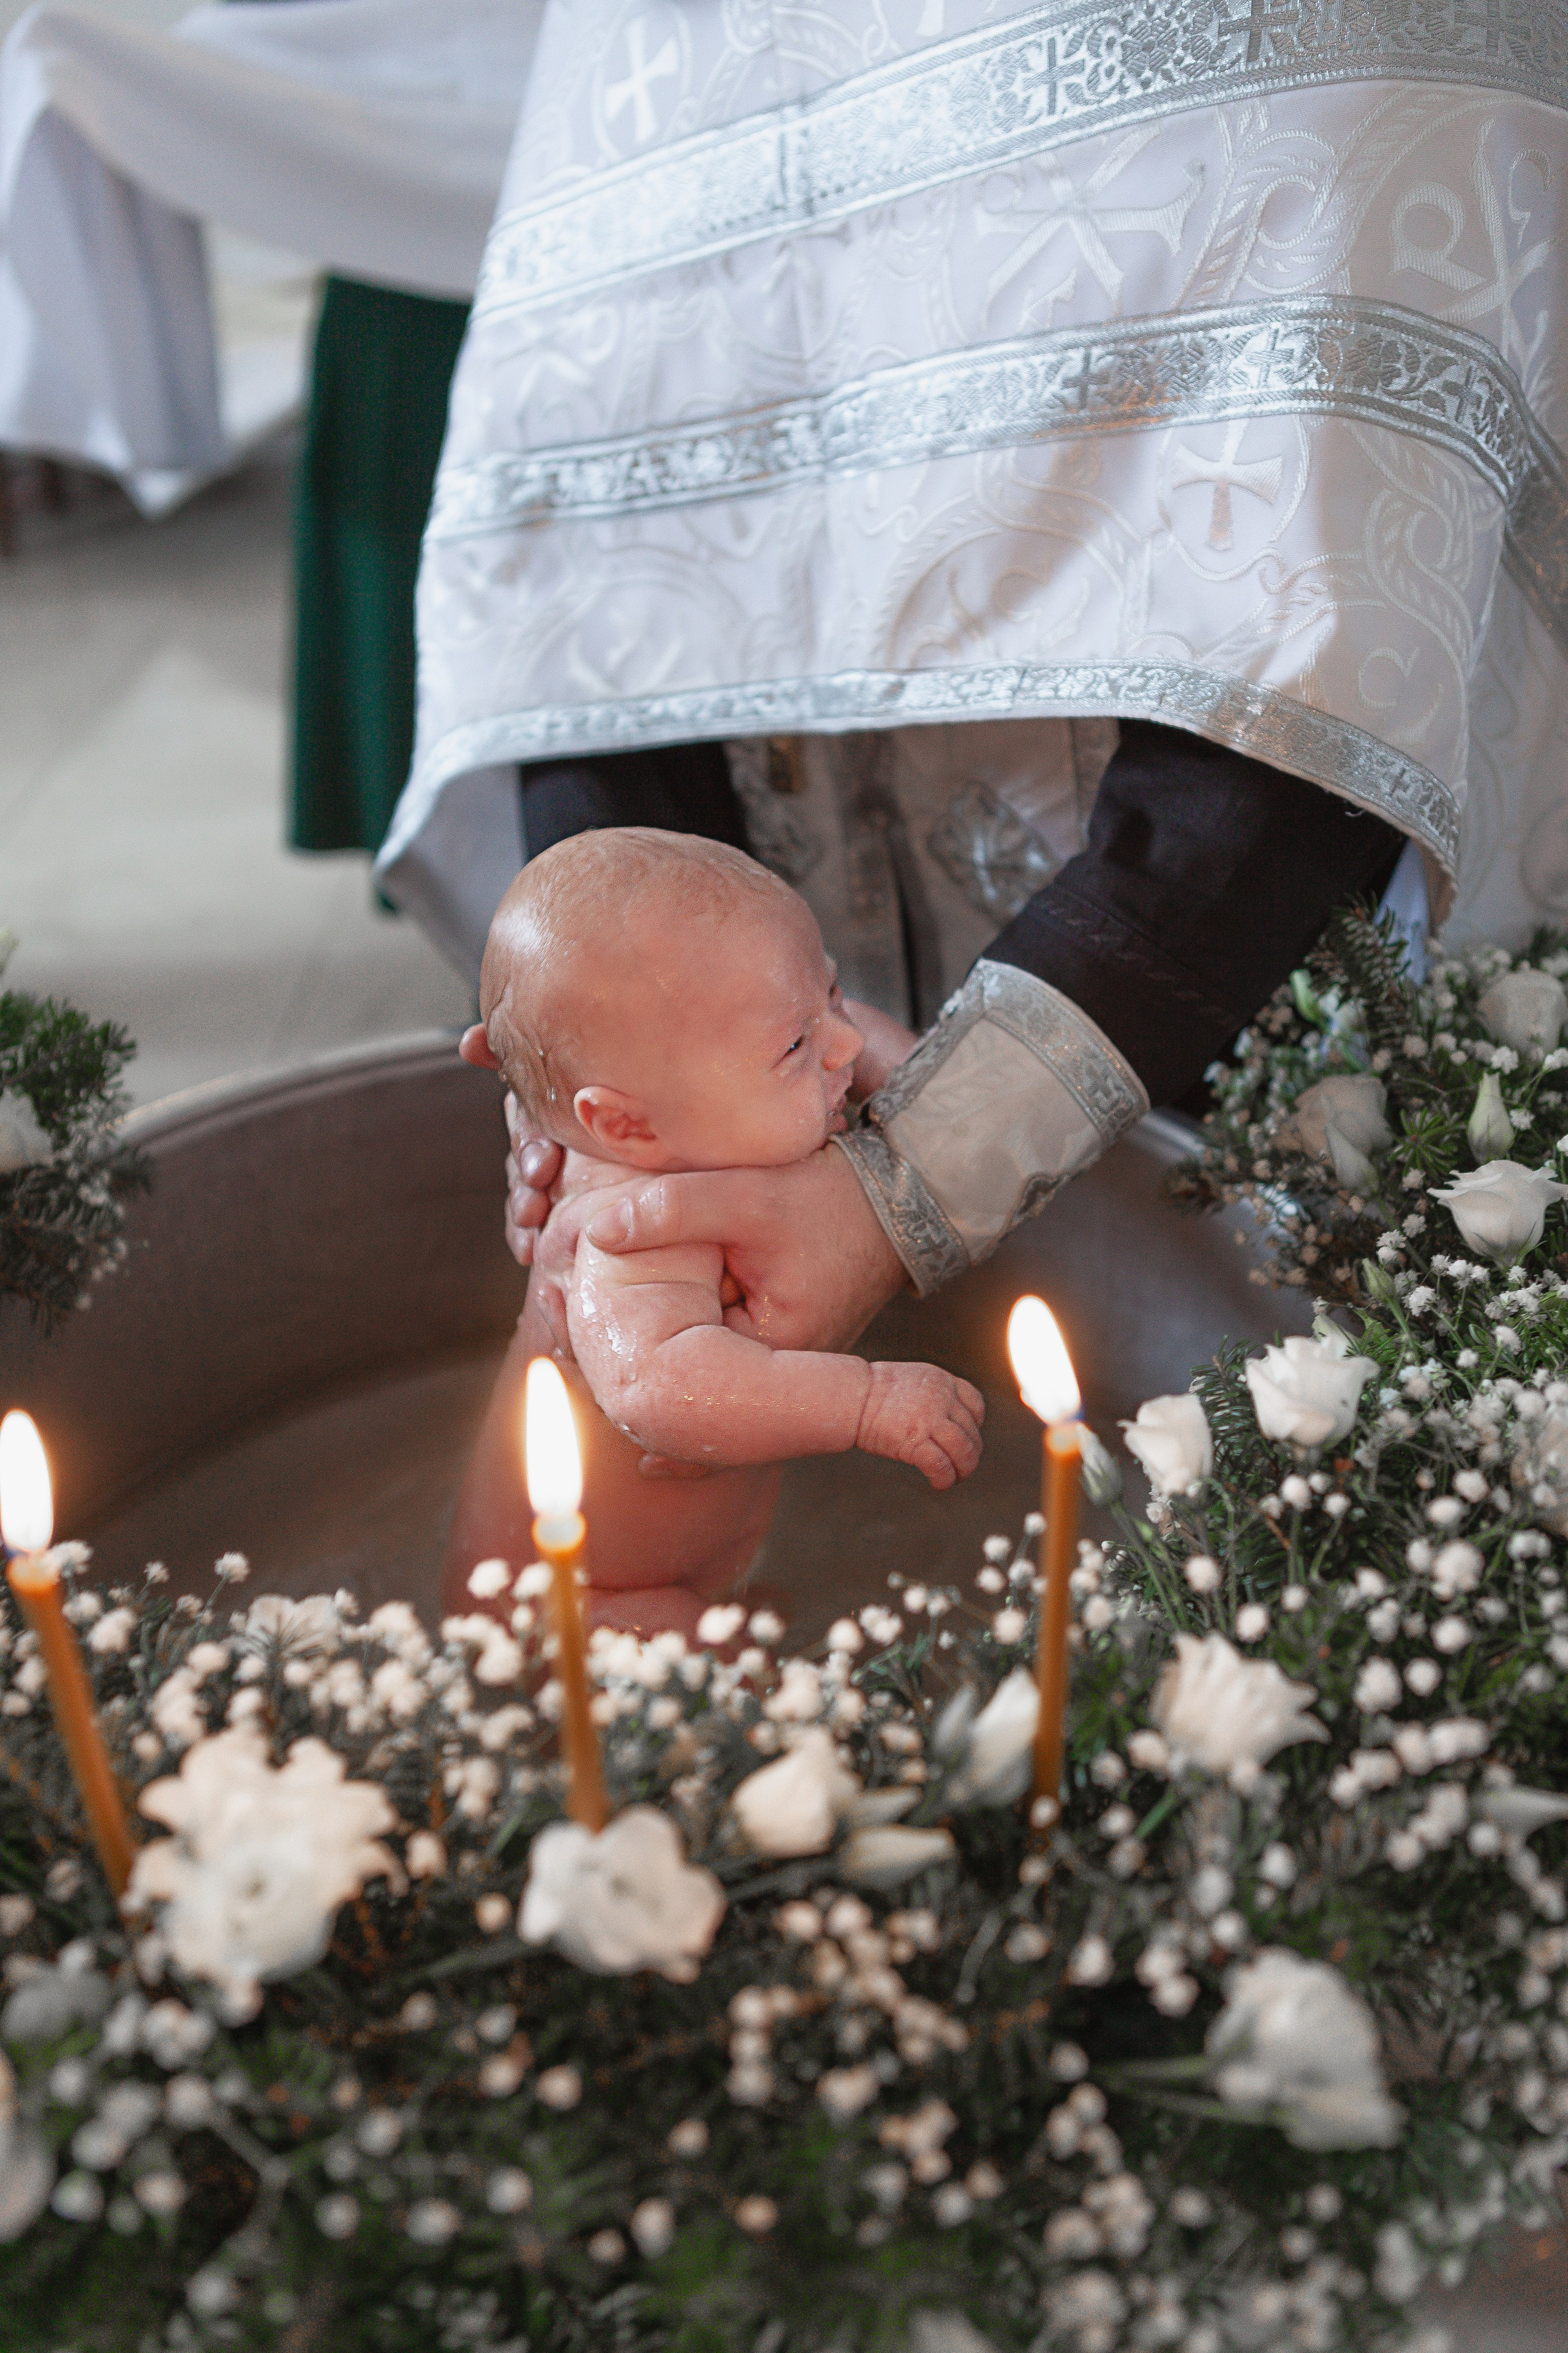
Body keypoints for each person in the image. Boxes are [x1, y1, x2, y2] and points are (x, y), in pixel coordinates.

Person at [375, 0, 1568, 1354]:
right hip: (759, 1000)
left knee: (1282, 1414)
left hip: (1238, 974)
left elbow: (1316, 649)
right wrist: (631, 1087)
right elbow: (604, 551)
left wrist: (910, 1183)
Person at [445, 829, 984, 1634]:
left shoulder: (713, 1104)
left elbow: (868, 1049)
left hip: (677, 1579)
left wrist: (889, 1069)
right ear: (624, 1124)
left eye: (831, 993)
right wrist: (865, 1401)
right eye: (799, 1043)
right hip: (568, 1608)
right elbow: (656, 1387)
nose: (846, 1042)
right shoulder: (626, 1230)